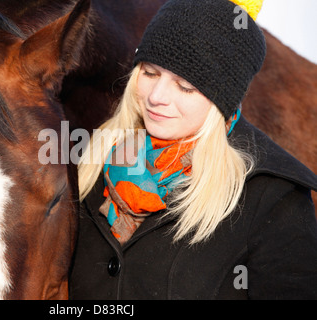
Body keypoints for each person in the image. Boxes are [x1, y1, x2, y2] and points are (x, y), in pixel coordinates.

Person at [69, 0, 317, 299]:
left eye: (185, 86)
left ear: (222, 99)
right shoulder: (91, 161)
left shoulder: (274, 198)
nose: (156, 97)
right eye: (149, 72)